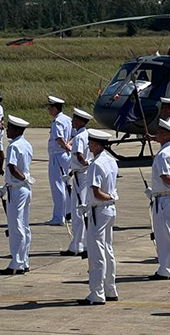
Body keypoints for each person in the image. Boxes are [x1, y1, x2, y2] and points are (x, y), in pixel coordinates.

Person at [81, 128, 118, 306]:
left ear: (96, 144)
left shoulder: (96, 164)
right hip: (108, 210)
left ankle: (97, 293)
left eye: (90, 142)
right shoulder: (111, 161)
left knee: (97, 253)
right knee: (108, 250)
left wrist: (108, 197)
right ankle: (110, 288)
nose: (88, 145)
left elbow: (96, 192)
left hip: (99, 210)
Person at [0, 115, 34, 275]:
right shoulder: (26, 144)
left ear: (16, 129)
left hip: (18, 189)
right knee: (24, 226)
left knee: (16, 227)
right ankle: (24, 260)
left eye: (10, 127)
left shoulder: (13, 146)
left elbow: (12, 167)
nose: (7, 130)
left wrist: (22, 178)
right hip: (23, 189)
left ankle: (17, 263)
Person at [148, 117, 170, 280]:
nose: (157, 135)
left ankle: (167, 269)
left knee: (165, 235)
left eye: (159, 133)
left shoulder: (163, 154)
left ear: (166, 135)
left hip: (166, 198)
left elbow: (165, 177)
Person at [65, 108, 92, 257]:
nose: (72, 121)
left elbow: (79, 156)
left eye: (75, 119)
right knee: (80, 208)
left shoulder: (79, 137)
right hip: (81, 174)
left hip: (81, 175)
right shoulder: (85, 135)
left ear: (81, 121)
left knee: (78, 210)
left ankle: (77, 245)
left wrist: (85, 164)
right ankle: (80, 243)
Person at [46, 96, 72, 226]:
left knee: (58, 186)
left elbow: (59, 138)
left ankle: (58, 216)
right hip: (65, 156)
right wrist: (69, 146)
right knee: (65, 186)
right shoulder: (67, 119)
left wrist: (66, 146)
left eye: (50, 107)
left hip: (58, 155)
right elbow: (73, 134)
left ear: (55, 108)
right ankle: (68, 213)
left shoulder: (57, 122)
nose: (48, 110)